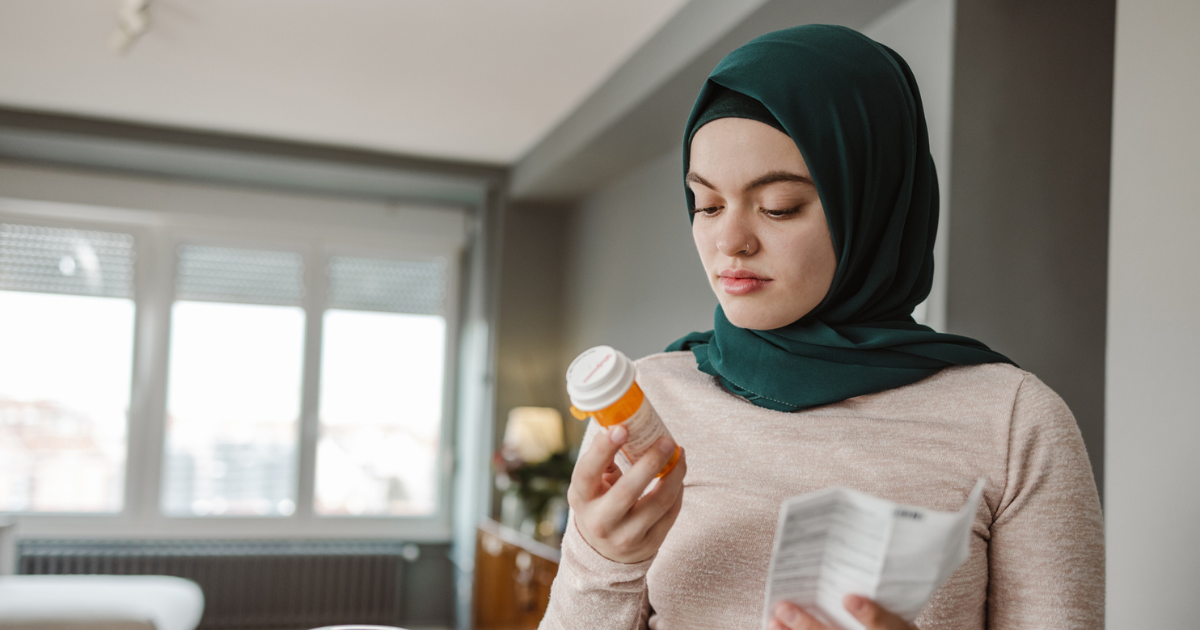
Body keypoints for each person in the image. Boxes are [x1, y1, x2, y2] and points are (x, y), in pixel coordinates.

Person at [538, 24, 1103, 630]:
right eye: (706, 204)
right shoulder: (649, 405)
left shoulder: (1014, 422)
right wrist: (601, 565)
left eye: (778, 205)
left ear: (873, 202)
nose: (730, 240)